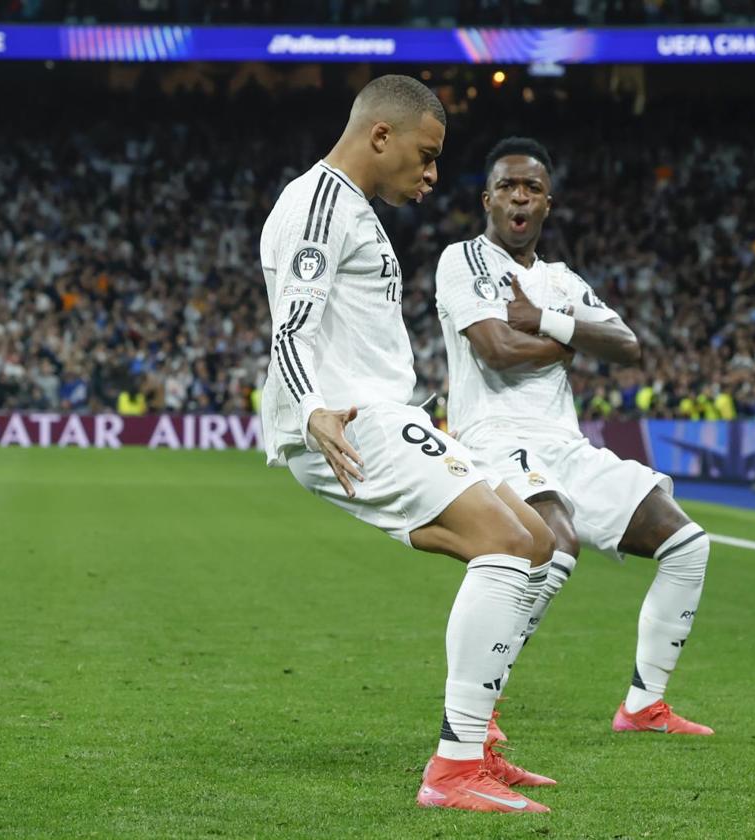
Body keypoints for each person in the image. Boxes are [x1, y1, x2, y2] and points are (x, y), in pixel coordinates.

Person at [258, 79, 556, 815]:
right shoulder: (320, 202)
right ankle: (454, 767)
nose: (431, 175)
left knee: (539, 540)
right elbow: (292, 324)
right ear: (380, 136)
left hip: (388, 412)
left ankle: (475, 736)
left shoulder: (353, 209)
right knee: (505, 544)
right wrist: (314, 409)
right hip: (349, 418)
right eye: (425, 157)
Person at [434, 137, 713, 747]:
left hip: (565, 441)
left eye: (531, 187)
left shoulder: (561, 282)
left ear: (547, 203)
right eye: (507, 185)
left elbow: (628, 345)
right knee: (553, 541)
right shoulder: (465, 262)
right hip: (495, 434)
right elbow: (496, 351)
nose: (519, 195)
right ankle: (484, 701)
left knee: (689, 544)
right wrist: (570, 343)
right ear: (488, 199)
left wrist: (547, 322)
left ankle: (644, 705)